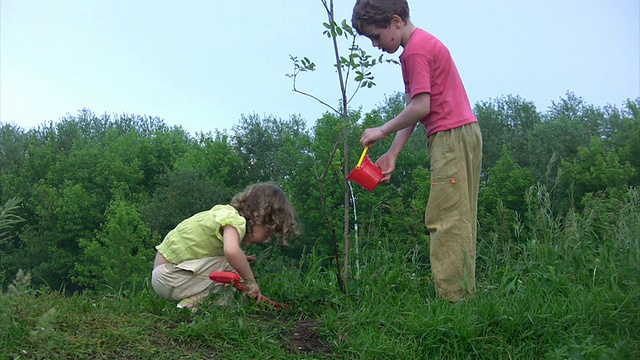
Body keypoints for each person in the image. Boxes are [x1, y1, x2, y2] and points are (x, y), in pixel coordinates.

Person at [352, 0, 482, 302]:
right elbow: (415, 108)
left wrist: (382, 130)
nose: (375, 44)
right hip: (456, 134)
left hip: (451, 136)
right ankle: (462, 296)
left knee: (447, 218)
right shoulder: (415, 50)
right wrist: (393, 153)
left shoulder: (417, 51)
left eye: (376, 36)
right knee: (458, 215)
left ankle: (455, 302)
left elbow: (422, 107)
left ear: (395, 22)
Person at [151, 182, 298, 309]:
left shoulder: (223, 213)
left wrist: (241, 258)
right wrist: (251, 282)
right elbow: (232, 252)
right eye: (268, 233)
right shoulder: (235, 220)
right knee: (232, 267)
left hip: (167, 277)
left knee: (231, 275)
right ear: (258, 217)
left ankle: (191, 307)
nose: (266, 240)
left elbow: (208, 250)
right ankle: (192, 306)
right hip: (168, 276)